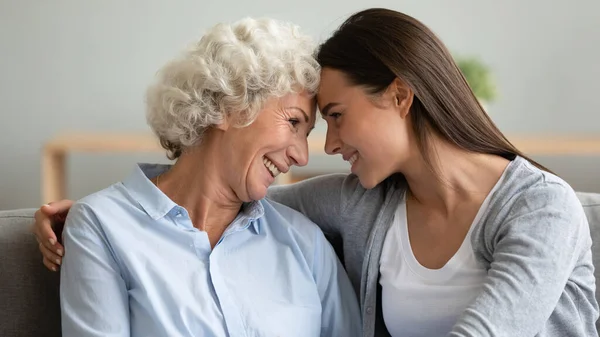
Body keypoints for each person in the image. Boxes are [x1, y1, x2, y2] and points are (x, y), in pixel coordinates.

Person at [32, 8, 598, 337]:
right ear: (231, 105)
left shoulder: (541, 207)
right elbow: (203, 208)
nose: (317, 149)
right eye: (303, 121)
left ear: (400, 96)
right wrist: (102, 217)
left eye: (330, 118)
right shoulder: (360, 206)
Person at [33, 17, 362, 337]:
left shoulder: (306, 243)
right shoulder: (102, 226)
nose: (301, 155)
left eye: (306, 133)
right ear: (226, 107)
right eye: (293, 123)